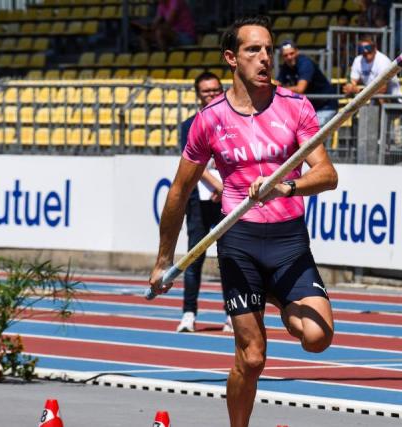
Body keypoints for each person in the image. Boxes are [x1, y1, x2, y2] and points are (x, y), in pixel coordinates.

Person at [148, 16, 338, 427]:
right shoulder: (210, 119)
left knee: (318, 337)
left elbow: (327, 175)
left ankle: (280, 296)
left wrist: (286, 188)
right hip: (240, 243)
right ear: (231, 58)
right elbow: (180, 192)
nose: (265, 58)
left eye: (268, 49)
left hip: (289, 241)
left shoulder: (296, 106)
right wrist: (164, 259)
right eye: (254, 50)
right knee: (252, 359)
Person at [176, 71, 228, 333]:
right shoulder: (189, 125)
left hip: (229, 201)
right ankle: (188, 313)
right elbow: (192, 165)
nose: (211, 94)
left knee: (230, 258)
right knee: (193, 258)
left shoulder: (233, 121)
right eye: (206, 91)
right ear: (198, 94)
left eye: (215, 90)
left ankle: (233, 313)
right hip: (199, 200)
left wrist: (227, 187)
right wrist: (217, 184)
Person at [276, 39, 338, 128]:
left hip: (325, 106)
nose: (289, 57)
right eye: (286, 55)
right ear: (282, 57)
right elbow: (278, 84)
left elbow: (300, 89)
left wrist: (278, 88)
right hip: (308, 109)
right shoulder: (285, 67)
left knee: (314, 136)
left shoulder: (305, 63)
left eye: (292, 53)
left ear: (297, 52)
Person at [342, 35, 402, 104]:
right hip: (371, 97)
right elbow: (352, 82)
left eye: (368, 48)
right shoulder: (358, 60)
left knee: (380, 97)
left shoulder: (382, 61)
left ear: (375, 48)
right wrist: (350, 87)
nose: (365, 51)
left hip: (392, 100)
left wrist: (358, 90)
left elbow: (382, 89)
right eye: (361, 48)